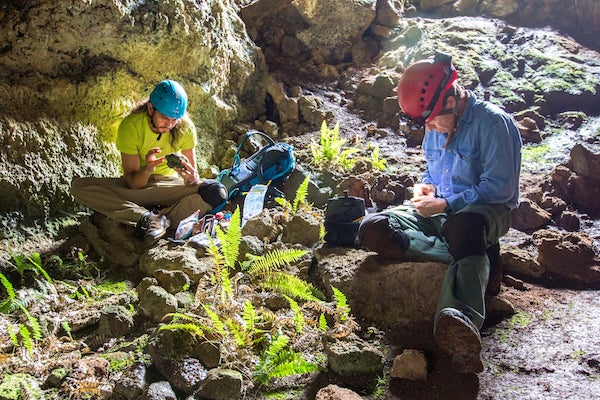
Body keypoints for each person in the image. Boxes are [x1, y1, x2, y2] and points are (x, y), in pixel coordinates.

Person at [358, 51, 522, 373]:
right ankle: (478, 263)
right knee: (373, 227)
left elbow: (500, 188)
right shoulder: (435, 124)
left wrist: (447, 204)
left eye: (431, 118)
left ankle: (462, 320)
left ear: (451, 97)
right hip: (442, 211)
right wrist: (426, 188)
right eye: (424, 122)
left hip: (484, 213)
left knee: (464, 229)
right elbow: (432, 172)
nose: (429, 127)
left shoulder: (493, 124)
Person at [70, 79, 227, 245]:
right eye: (165, 118)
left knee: (217, 191)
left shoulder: (185, 127)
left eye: (175, 119)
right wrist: (147, 169)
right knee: (80, 187)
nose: (170, 124)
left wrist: (192, 178)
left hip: (169, 187)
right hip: (140, 188)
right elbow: (133, 184)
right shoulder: (131, 126)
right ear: (151, 108)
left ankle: (160, 219)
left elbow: (193, 177)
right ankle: (148, 218)